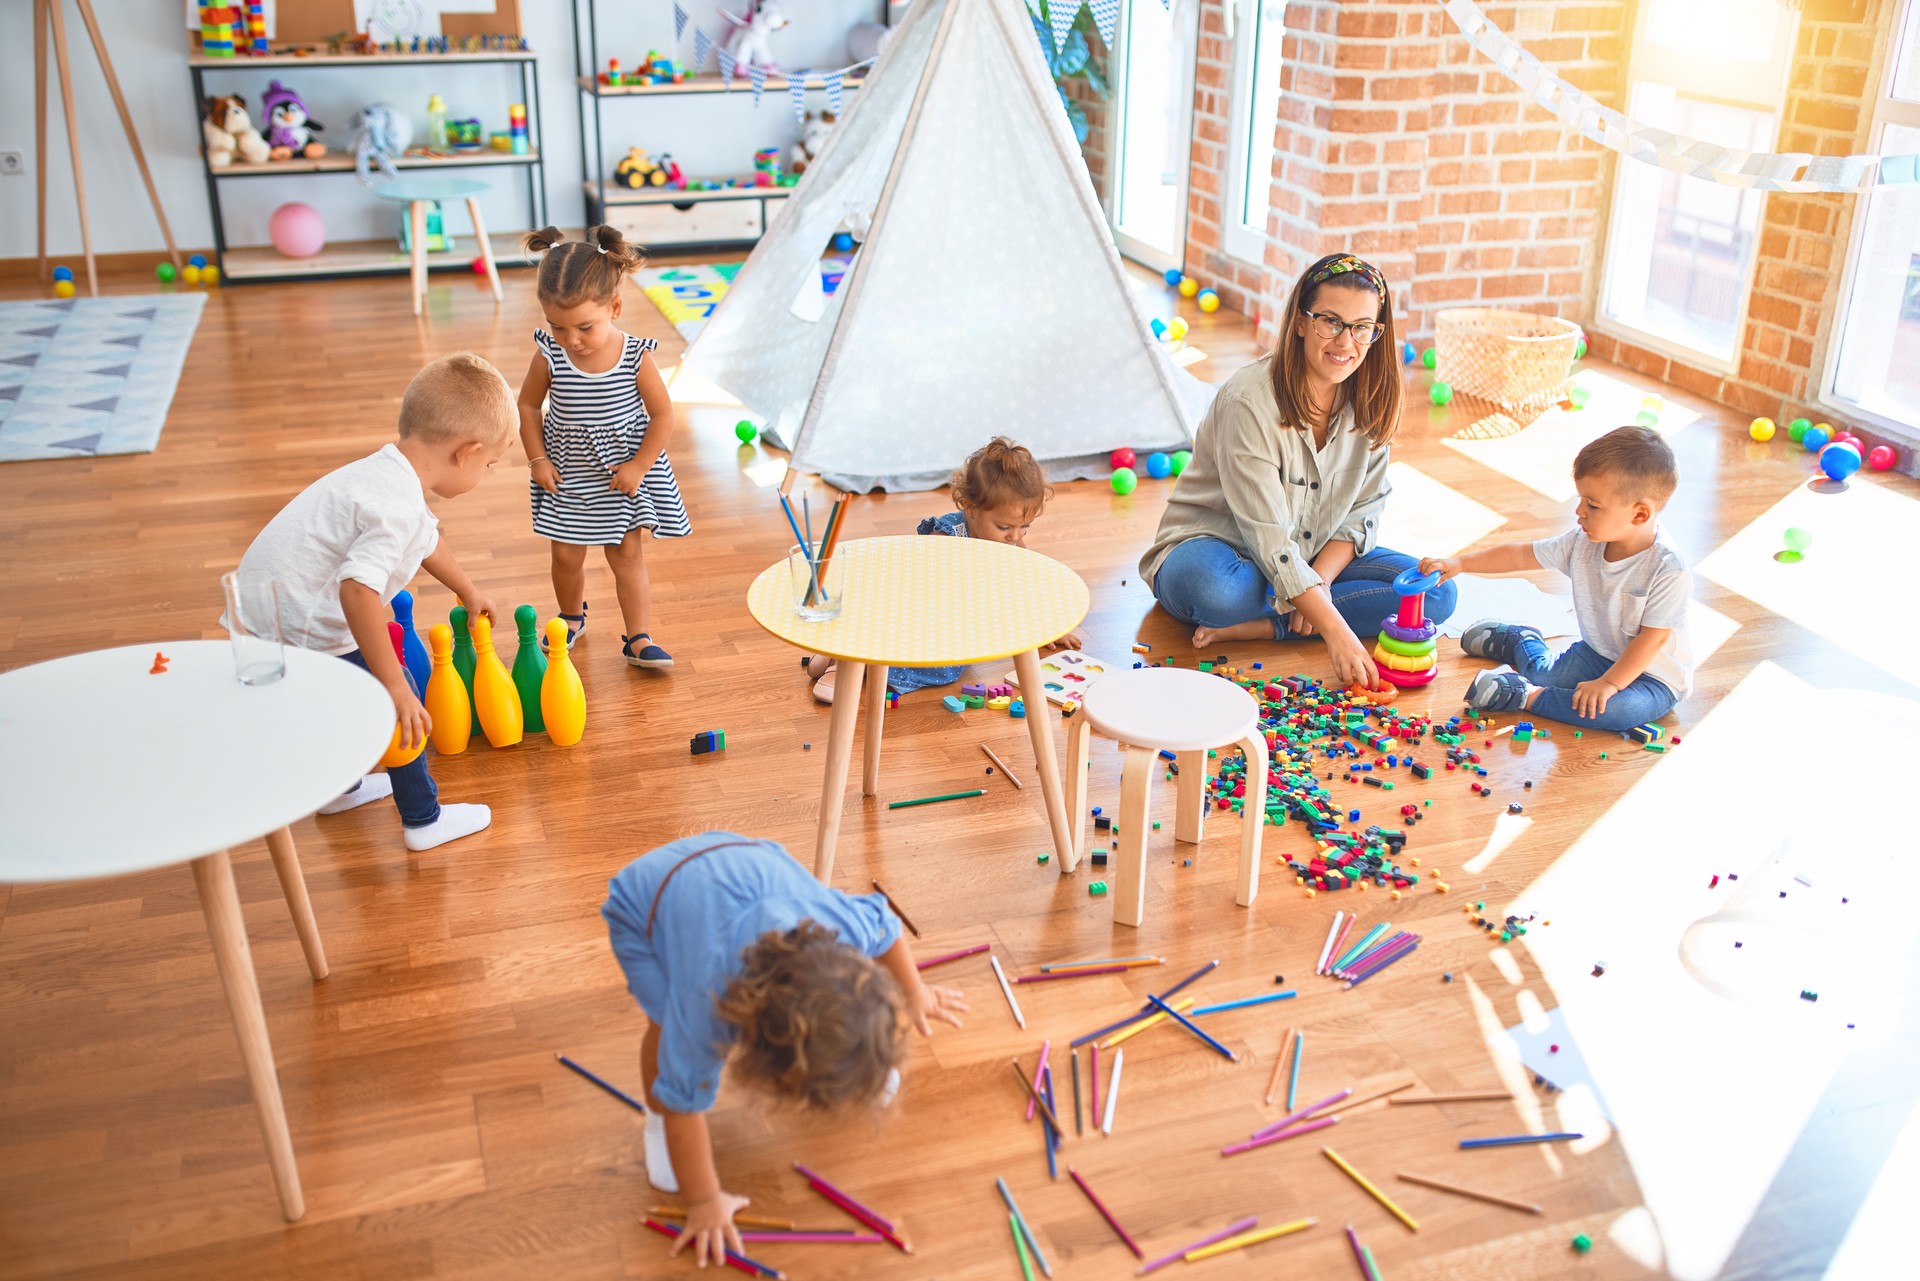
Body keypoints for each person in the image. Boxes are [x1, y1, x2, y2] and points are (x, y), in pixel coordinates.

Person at [603, 832, 967, 1266]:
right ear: (761, 1059)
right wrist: (703, 1201)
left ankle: (857, 1058)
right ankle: (654, 1126)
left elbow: (885, 923)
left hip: (740, 860)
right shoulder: (705, 1007)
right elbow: (685, 1104)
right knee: (665, 1027)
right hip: (644, 900)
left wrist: (914, 992)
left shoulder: (841, 928)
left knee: (850, 1028)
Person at [229, 354, 513, 851]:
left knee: (334, 698)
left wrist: (467, 589)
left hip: (268, 607)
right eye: (489, 465)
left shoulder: (387, 473)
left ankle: (341, 789)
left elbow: (426, 538)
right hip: (301, 618)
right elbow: (357, 592)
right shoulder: (398, 506)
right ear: (466, 452)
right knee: (398, 693)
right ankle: (423, 820)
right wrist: (393, 685)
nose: (485, 474)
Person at [1139, 253, 1456, 690]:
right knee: (1215, 591)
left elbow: (1364, 510)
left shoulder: (1372, 397)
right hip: (1220, 551)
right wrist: (1336, 631)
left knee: (1435, 593)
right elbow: (1267, 537)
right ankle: (1294, 607)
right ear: (1302, 321)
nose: (1346, 341)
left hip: (1310, 558)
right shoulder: (1249, 400)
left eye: (1362, 327)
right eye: (1331, 321)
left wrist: (1319, 585)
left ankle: (1272, 625)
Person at [1419, 426, 1693, 731]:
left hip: (1654, 678)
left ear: (1640, 514)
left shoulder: (1668, 568)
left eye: (1593, 504)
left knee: (1618, 713)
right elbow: (1521, 555)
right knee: (1544, 673)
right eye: (1581, 499)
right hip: (1598, 654)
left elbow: (1652, 639)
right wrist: (1460, 563)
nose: (1579, 511)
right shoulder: (1583, 542)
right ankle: (1519, 640)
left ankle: (1525, 696)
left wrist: (1609, 683)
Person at [517, 224, 689, 670]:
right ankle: (572, 618)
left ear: (614, 307)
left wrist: (640, 466)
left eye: (584, 327)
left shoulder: (636, 356)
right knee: (566, 554)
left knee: (626, 554)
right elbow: (528, 406)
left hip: (620, 475)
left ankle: (638, 638)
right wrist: (537, 459)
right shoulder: (550, 355)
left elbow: (663, 415)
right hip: (567, 470)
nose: (571, 339)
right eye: (557, 326)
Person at [807, 438, 1084, 703]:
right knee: (919, 658)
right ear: (971, 507)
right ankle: (846, 663)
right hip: (916, 619)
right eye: (1004, 527)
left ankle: (838, 657)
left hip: (957, 627)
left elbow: (1025, 582)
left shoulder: (1010, 542)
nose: (1015, 536)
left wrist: (1048, 628)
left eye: (1025, 526)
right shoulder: (947, 537)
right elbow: (914, 591)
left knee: (947, 668)